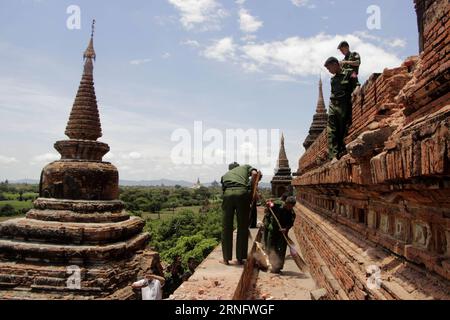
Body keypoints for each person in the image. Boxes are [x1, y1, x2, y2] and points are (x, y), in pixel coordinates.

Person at [220, 162, 262, 265]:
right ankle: (240, 258)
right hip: (242, 194)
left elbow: (223, 189)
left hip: (228, 195)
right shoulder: (246, 166)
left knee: (226, 227)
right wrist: (251, 189)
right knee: (242, 226)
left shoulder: (224, 176)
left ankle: (226, 259)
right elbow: (255, 174)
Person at [324, 57, 354, 162]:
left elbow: (356, 83)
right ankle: (333, 156)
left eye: (329, 68)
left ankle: (341, 151)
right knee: (331, 130)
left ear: (335, 64)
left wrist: (358, 88)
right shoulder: (333, 80)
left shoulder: (349, 73)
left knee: (342, 129)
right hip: (333, 105)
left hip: (344, 104)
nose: (329, 71)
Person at [263, 196, 297, 274]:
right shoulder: (277, 204)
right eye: (289, 206)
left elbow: (291, 223)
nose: (289, 208)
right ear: (286, 203)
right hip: (273, 230)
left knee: (281, 250)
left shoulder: (292, 213)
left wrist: (286, 229)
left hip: (283, 233)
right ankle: (271, 265)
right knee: (270, 247)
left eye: (291, 207)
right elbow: (270, 204)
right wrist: (268, 204)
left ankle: (278, 268)